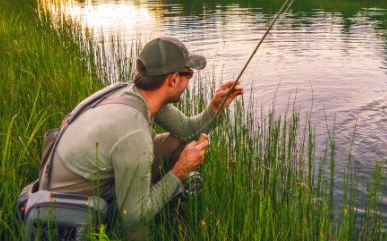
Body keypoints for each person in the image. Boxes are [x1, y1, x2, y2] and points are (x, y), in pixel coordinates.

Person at [39, 36, 243, 238]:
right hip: (73, 209)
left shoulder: (134, 93)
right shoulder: (133, 132)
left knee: (178, 143)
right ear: (172, 79)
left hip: (84, 181)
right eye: (188, 74)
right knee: (138, 220)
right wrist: (180, 171)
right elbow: (133, 217)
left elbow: (187, 131)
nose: (189, 80)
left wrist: (216, 108)